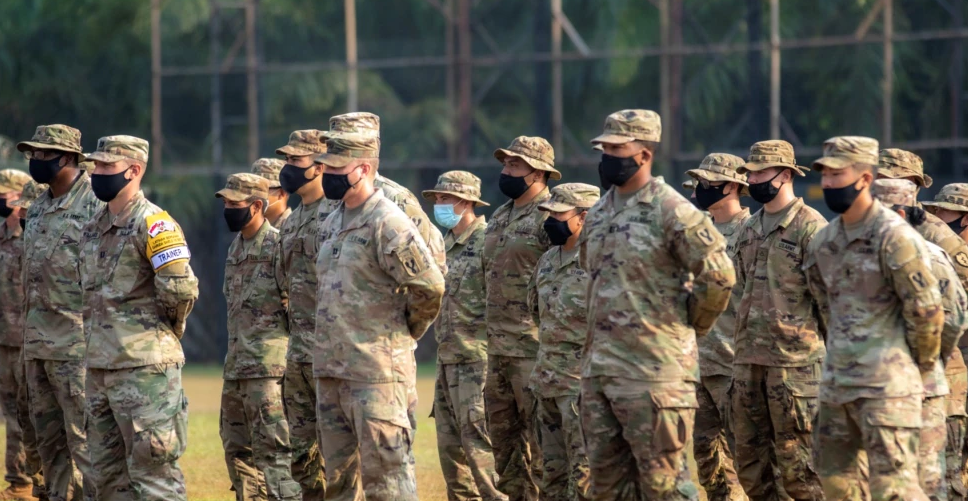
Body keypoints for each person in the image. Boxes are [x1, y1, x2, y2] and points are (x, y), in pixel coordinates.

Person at [580, 109, 735, 500]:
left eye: (617, 149)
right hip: (601, 374)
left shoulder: (673, 210)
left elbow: (718, 277)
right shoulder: (598, 213)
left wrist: (688, 327)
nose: (607, 157)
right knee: (606, 489)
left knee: (665, 488)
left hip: (655, 377)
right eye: (605, 149)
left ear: (645, 155)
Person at [313, 117, 445, 500]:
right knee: (338, 486)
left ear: (363, 169)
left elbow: (430, 286)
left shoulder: (387, 221)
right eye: (326, 166)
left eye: (337, 167)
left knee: (388, 486)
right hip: (332, 374)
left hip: (376, 377)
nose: (328, 174)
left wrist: (402, 332)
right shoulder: (332, 222)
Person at [804, 135, 943, 500]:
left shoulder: (894, 238)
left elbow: (927, 313)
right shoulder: (824, 242)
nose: (828, 183)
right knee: (837, 487)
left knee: (894, 490)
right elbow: (825, 309)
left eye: (837, 174)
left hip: (887, 390)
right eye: (824, 174)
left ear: (865, 178)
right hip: (837, 388)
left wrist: (914, 368)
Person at [81, 135, 199, 501]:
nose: (97, 172)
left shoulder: (154, 223)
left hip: (144, 371)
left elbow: (180, 290)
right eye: (96, 165)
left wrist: (160, 333)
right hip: (99, 368)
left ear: (133, 170)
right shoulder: (93, 226)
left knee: (154, 478)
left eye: (107, 166)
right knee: (105, 481)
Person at [731, 139, 827, 501]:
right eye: (750, 173)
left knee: (800, 473)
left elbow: (828, 302)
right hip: (748, 363)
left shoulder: (811, 228)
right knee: (751, 469)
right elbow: (741, 287)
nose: (753, 180)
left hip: (795, 369)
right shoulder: (749, 228)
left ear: (786, 175)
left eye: (761, 173)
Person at [16, 124, 101, 501]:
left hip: (77, 346)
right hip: (37, 345)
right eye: (33, 154)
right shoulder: (38, 207)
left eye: (44, 154)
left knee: (85, 443)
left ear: (67, 158)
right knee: (47, 444)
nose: (36, 161)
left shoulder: (95, 204)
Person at [872, 178, 968, 501]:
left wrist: (929, 359)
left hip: (935, 382)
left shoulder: (934, 255)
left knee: (937, 481)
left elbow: (954, 318)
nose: (940, 219)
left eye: (947, 213)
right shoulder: (859, 256)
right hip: (884, 388)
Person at [484, 135, 560, 501]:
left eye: (515, 165)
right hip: (496, 349)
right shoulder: (500, 215)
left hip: (533, 350)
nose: (506, 171)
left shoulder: (552, 217)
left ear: (538, 173)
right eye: (505, 164)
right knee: (504, 452)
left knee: (544, 452)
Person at [421, 171, 505, 501]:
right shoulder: (442, 246)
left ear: (467, 202)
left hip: (477, 363)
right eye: (437, 199)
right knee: (451, 456)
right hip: (446, 361)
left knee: (481, 454)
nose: (439, 204)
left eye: (446, 199)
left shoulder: (488, 242)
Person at [217, 173, 301, 501]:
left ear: (255, 206)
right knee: (237, 452)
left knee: (275, 455)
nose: (227, 208)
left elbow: (296, 307)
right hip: (236, 369)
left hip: (268, 372)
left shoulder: (278, 245)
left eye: (234, 203)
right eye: (225, 202)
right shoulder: (236, 248)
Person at [527, 183, 600, 501]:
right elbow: (536, 312)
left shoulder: (602, 261)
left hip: (583, 387)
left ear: (583, 217)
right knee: (551, 476)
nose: (550, 221)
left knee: (584, 477)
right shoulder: (547, 260)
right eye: (549, 214)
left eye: (558, 215)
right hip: (547, 382)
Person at [684, 154, 751, 501]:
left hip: (733, 364)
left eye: (708, 182)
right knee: (708, 465)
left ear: (731, 186)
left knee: (749, 462)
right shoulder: (697, 235)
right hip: (697, 364)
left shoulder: (750, 233)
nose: (700, 188)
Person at [275, 129, 334, 501]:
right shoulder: (292, 221)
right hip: (297, 354)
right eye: (287, 160)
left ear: (320, 166)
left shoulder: (338, 214)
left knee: (339, 454)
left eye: (296, 160)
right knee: (301, 456)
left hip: (332, 355)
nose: (288, 167)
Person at [0, 171, 45, 501]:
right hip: (4, 340)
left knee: (28, 415)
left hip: (29, 340)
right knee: (11, 413)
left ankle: (29, 482)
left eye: (3, 194)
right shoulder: (2, 236)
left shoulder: (33, 237)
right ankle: (19, 482)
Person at [878, 150, 968, 290]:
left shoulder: (937, 235)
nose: (884, 188)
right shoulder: (854, 223)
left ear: (913, 186)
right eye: (878, 181)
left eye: (892, 182)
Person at [250, 158, 292, 228]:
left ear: (282, 193)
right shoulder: (249, 228)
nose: (253, 194)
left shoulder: (294, 228)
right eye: (251, 188)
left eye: (260, 189)